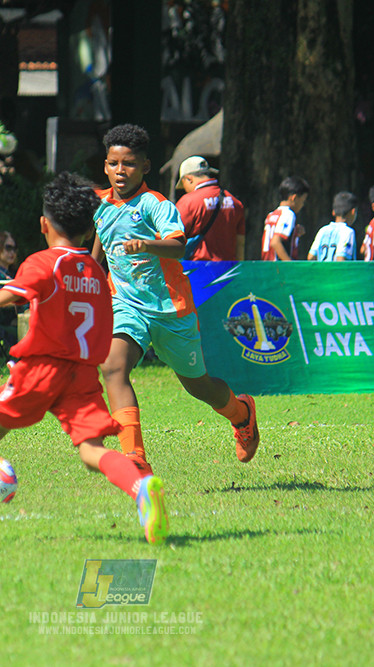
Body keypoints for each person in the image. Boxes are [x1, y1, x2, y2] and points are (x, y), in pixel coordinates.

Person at [0, 172, 170, 545]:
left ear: (44, 224)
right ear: (89, 231)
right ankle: (140, 488)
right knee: (91, 451)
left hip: (42, 367)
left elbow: (17, 290)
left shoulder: (44, 262)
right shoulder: (95, 271)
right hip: (82, 373)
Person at [91, 124, 260, 476]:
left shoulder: (156, 204)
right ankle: (135, 457)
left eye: (129, 164)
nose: (121, 171)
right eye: (114, 163)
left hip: (171, 309)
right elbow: (99, 249)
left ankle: (241, 413)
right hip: (126, 305)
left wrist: (146, 244)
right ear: (105, 166)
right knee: (113, 367)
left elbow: (178, 245)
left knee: (200, 387)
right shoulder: (100, 205)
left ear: (145, 166)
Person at [174, 155, 246, 261]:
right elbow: (240, 244)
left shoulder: (188, 202)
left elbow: (172, 238)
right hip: (229, 269)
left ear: (189, 179)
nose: (185, 190)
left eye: (183, 185)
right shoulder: (236, 203)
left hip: (198, 269)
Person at [261, 176, 309, 261]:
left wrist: (294, 233)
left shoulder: (271, 215)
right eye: (303, 200)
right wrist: (290, 265)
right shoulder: (288, 214)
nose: (302, 205)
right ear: (294, 198)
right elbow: (275, 242)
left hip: (267, 264)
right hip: (279, 266)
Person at [308, 191, 357, 261]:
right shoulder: (348, 232)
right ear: (353, 212)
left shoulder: (323, 230)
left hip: (322, 268)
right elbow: (341, 258)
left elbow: (311, 257)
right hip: (337, 268)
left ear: (333, 212)